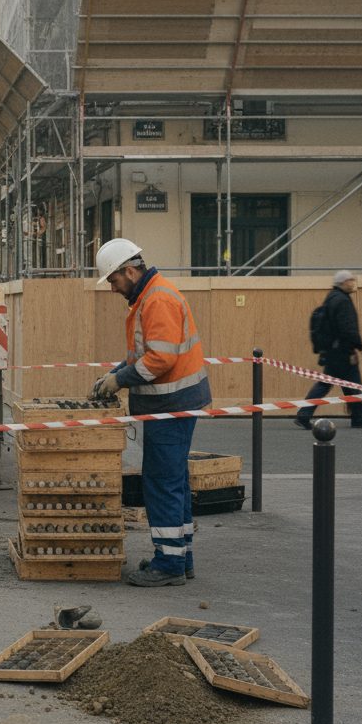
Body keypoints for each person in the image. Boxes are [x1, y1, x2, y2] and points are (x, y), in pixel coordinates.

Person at [88, 239, 211, 587]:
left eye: (113, 280)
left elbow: (160, 360)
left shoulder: (157, 299)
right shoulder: (150, 295)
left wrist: (119, 380)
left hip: (170, 405)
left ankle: (169, 565)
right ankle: (180, 557)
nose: (113, 289)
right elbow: (145, 354)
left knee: (162, 483)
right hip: (173, 403)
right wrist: (115, 374)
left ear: (130, 271)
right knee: (174, 481)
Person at [295, 270, 362, 430]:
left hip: (334, 350)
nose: (353, 283)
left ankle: (357, 416)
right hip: (342, 352)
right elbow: (347, 328)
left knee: (342, 384)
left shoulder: (332, 297)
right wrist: (359, 346)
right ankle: (358, 418)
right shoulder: (342, 301)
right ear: (343, 283)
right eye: (350, 280)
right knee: (348, 384)